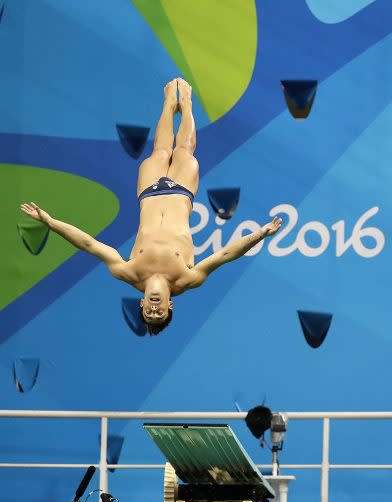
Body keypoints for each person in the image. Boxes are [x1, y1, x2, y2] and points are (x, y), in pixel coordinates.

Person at [20, 78, 282, 335]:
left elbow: (88, 244)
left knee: (159, 151)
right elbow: (225, 255)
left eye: (148, 313)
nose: (154, 311)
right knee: (184, 151)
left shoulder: (128, 272)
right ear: (170, 306)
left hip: (149, 193)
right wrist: (261, 233)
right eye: (161, 314)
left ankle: (169, 102)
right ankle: (188, 102)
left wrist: (50, 222)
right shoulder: (188, 279)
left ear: (142, 304)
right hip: (181, 191)